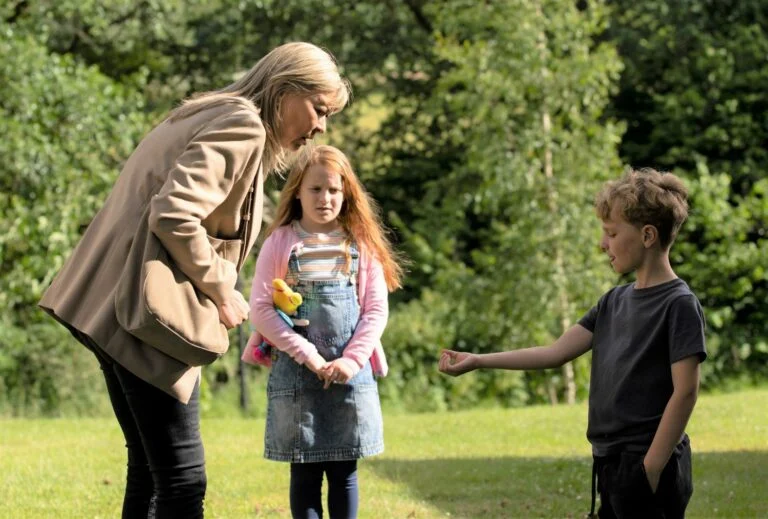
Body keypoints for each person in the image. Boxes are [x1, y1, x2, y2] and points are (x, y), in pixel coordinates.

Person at [38, 42, 351, 518]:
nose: (320, 127)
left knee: (150, 469)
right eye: (318, 109)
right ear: (285, 90)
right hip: (143, 318)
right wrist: (223, 290)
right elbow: (175, 214)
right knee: (183, 479)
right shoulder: (242, 124)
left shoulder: (206, 110)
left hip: (106, 306)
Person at [439, 168, 706, 519]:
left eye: (611, 233)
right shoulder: (613, 301)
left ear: (647, 235)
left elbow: (685, 390)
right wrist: (479, 360)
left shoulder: (678, 304)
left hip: (648, 463)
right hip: (611, 461)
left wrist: (651, 467)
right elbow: (555, 352)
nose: (602, 243)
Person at [242, 145, 404, 519]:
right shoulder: (280, 242)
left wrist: (351, 360)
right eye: (315, 189)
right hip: (299, 374)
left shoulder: (360, 244)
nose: (324, 198)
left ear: (346, 192)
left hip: (350, 374)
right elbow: (262, 310)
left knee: (345, 471)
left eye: (333, 190)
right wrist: (309, 356)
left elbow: (375, 311)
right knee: (304, 470)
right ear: (297, 191)